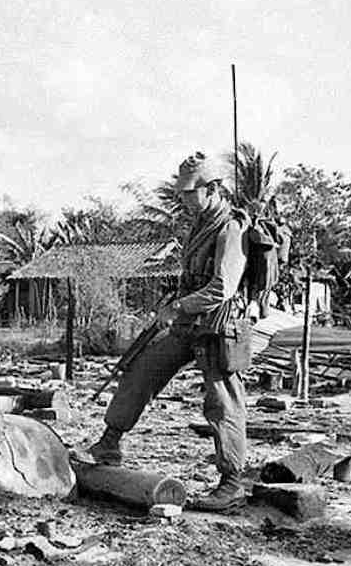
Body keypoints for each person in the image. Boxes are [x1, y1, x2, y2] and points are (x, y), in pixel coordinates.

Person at [76, 152, 253, 512]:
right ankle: (110, 442)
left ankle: (232, 481)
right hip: (190, 321)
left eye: (190, 192)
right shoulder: (200, 223)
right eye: (183, 192)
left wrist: (178, 307)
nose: (183, 199)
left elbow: (223, 288)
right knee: (141, 370)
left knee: (221, 402)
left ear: (214, 188)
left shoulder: (230, 228)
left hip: (218, 326)